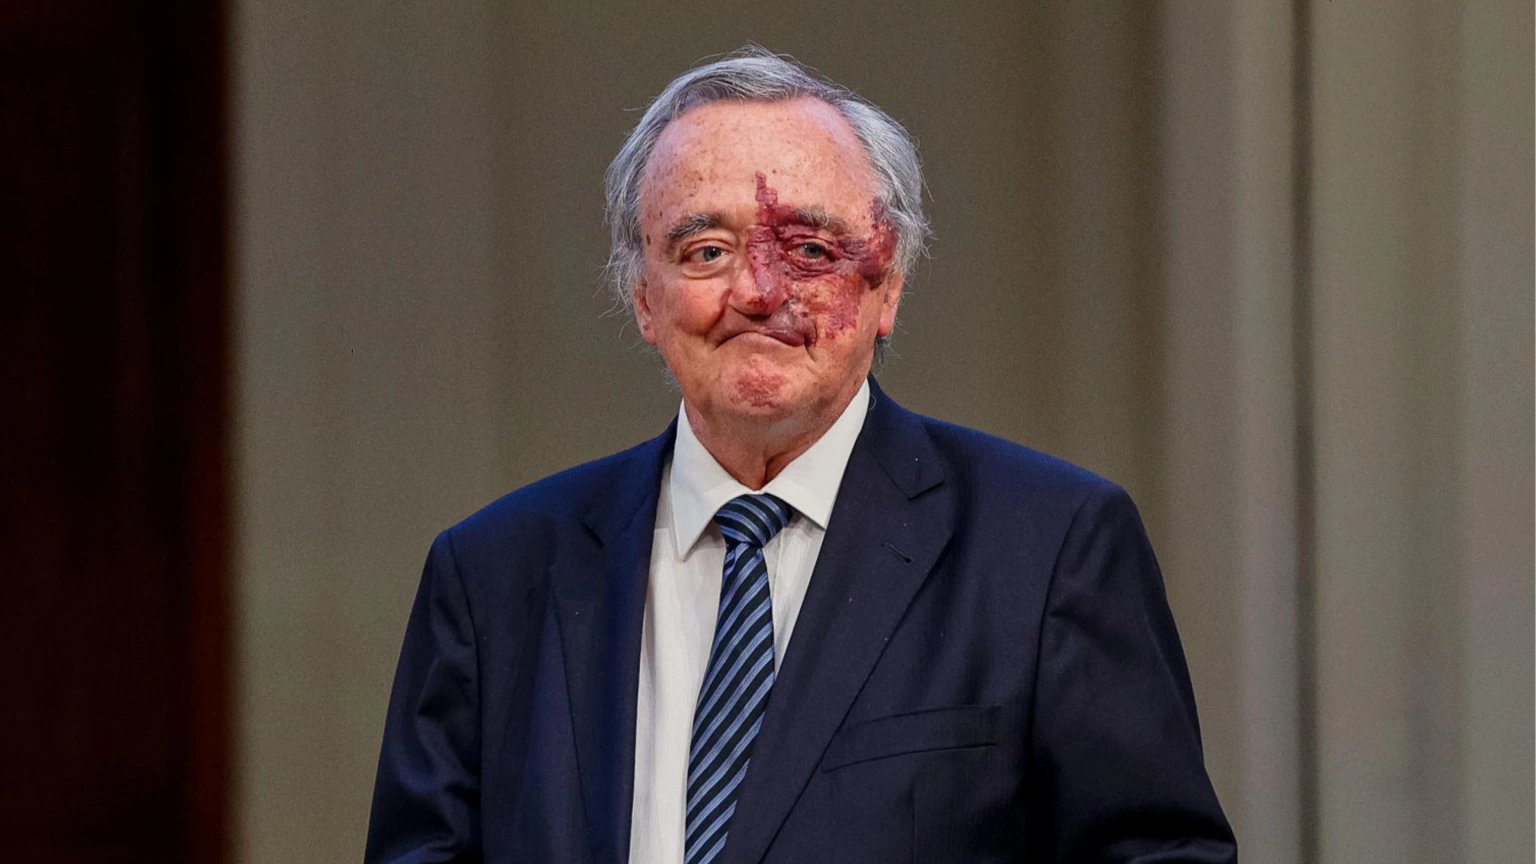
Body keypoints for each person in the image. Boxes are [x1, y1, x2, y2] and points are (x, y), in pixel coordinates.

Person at [364, 46, 1236, 864]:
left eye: (811, 250)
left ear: (888, 289)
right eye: (706, 251)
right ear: (642, 298)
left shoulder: (1049, 549)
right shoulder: (493, 574)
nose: (756, 291)